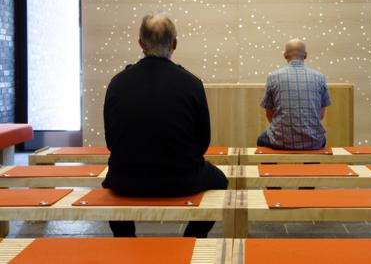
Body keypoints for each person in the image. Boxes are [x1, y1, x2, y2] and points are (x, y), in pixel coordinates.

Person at [102, 13, 228, 238]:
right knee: (220, 181)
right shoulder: (191, 83)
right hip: (180, 179)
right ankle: (193, 238)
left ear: (140, 43)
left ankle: (124, 238)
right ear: (175, 44)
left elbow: (111, 140)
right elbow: (202, 142)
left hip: (126, 180)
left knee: (110, 181)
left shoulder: (117, 82)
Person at [257, 39, 331, 150]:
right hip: (314, 141)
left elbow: (269, 115)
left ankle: (271, 168)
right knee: (322, 139)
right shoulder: (319, 77)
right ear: (305, 55)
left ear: (285, 55)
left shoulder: (273, 77)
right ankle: (312, 167)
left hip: (279, 141)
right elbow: (320, 115)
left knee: (261, 139)